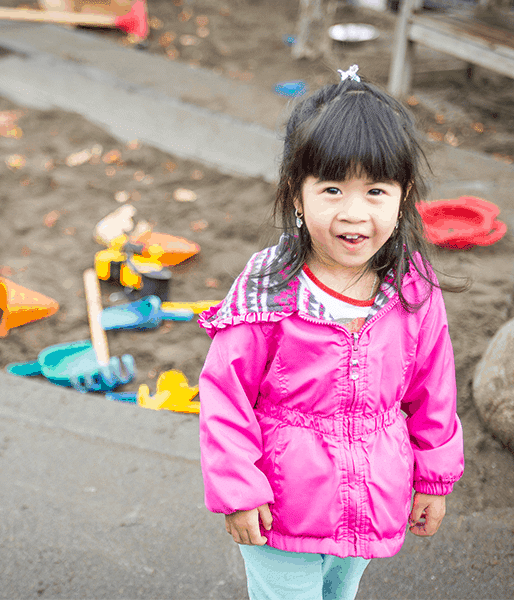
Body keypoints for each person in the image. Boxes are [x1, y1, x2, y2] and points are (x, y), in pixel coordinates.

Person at [197, 65, 466, 600]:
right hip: (281, 504)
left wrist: (434, 479)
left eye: (375, 191)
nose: (353, 213)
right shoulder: (270, 291)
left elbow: (433, 391)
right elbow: (224, 395)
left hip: (371, 498)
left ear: (403, 195)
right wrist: (239, 489)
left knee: (339, 593)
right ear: (297, 195)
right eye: (332, 188)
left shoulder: (411, 290)